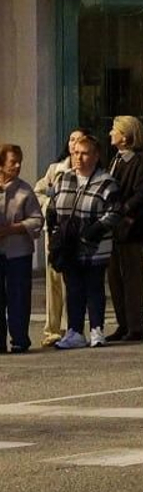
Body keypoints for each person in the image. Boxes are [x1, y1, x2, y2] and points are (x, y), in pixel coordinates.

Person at [46, 134, 121, 349]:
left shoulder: (107, 182)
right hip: (69, 247)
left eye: (85, 153)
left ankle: (97, 329)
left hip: (95, 247)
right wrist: (54, 231)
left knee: (94, 287)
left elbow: (114, 212)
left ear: (96, 156)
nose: (79, 157)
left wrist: (94, 230)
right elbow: (52, 206)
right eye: (76, 153)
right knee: (74, 289)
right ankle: (75, 331)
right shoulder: (64, 178)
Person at [33, 131, 83, 346]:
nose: (73, 144)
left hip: (75, 231)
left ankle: (70, 326)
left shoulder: (85, 170)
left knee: (70, 280)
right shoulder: (56, 169)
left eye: (79, 140)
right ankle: (52, 328)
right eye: (71, 139)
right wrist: (49, 206)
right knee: (52, 279)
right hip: (54, 231)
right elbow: (39, 191)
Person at [105, 115, 143, 343]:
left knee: (132, 277)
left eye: (114, 130)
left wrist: (125, 212)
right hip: (112, 229)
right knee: (115, 277)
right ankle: (123, 323)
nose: (110, 134)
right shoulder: (114, 160)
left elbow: (142, 192)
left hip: (129, 228)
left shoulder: (139, 162)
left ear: (125, 136)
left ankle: (136, 326)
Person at [1, 144, 44, 353]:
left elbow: (37, 220)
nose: (17, 166)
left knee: (18, 297)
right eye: (12, 162)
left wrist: (14, 229)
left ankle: (19, 339)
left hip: (18, 253)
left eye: (20, 162)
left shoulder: (24, 190)